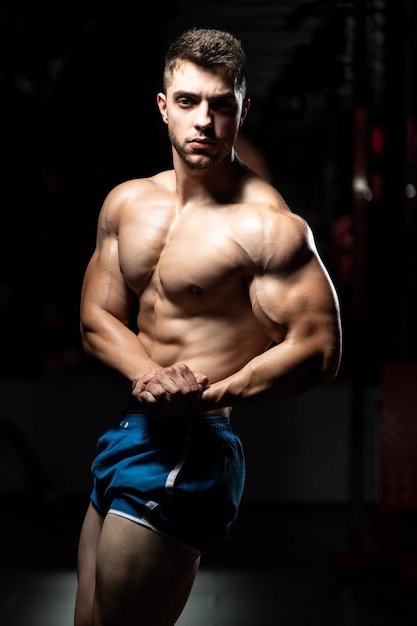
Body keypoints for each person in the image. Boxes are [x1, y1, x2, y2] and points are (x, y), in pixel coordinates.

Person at [74, 27, 342, 626]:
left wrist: (207, 394)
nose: (205, 121)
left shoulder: (268, 225)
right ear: (164, 106)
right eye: (189, 102)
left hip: (190, 449)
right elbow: (97, 319)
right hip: (131, 432)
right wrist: (152, 375)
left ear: (243, 109)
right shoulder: (128, 203)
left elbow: (320, 348)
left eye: (222, 105)